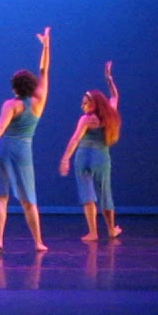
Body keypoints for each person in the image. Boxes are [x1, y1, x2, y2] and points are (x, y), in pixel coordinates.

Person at [0, 28, 51, 253]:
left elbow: (0, 127)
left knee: (0, 197)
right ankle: (38, 242)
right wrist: (46, 46)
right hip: (23, 151)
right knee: (28, 200)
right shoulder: (38, 102)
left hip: (2, 149)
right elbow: (44, 71)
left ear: (14, 87)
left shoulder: (11, 105)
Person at [59, 60, 122, 241]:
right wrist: (109, 78)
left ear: (95, 103)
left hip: (84, 157)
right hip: (101, 158)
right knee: (105, 193)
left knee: (87, 193)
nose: (82, 106)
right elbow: (114, 96)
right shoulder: (110, 115)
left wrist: (65, 158)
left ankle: (93, 232)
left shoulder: (86, 120)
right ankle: (111, 229)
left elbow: (75, 139)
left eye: (85, 103)